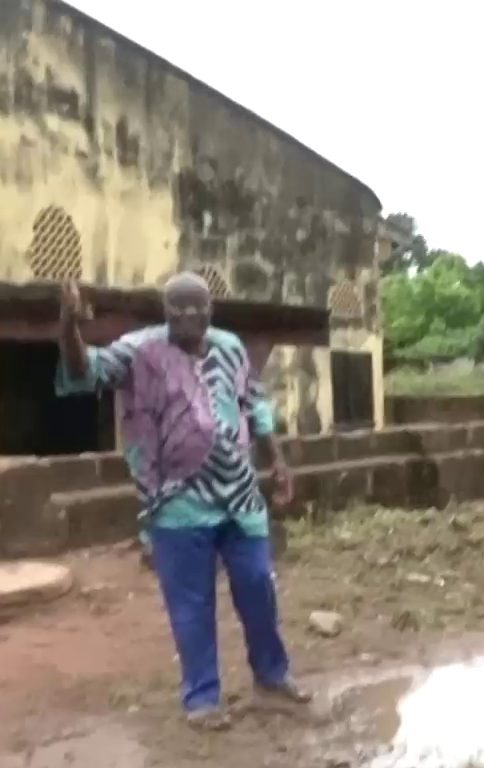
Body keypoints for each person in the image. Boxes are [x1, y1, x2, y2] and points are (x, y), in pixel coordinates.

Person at [55, 275, 310, 725]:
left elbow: (254, 402)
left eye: (198, 307)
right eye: (178, 308)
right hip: (176, 502)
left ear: (211, 309)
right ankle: (202, 699)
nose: (189, 316)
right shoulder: (139, 351)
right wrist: (68, 326)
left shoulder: (230, 347)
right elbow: (83, 371)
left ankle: (271, 679)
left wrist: (278, 461)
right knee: (191, 604)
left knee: (257, 584)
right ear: (165, 311)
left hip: (239, 493)